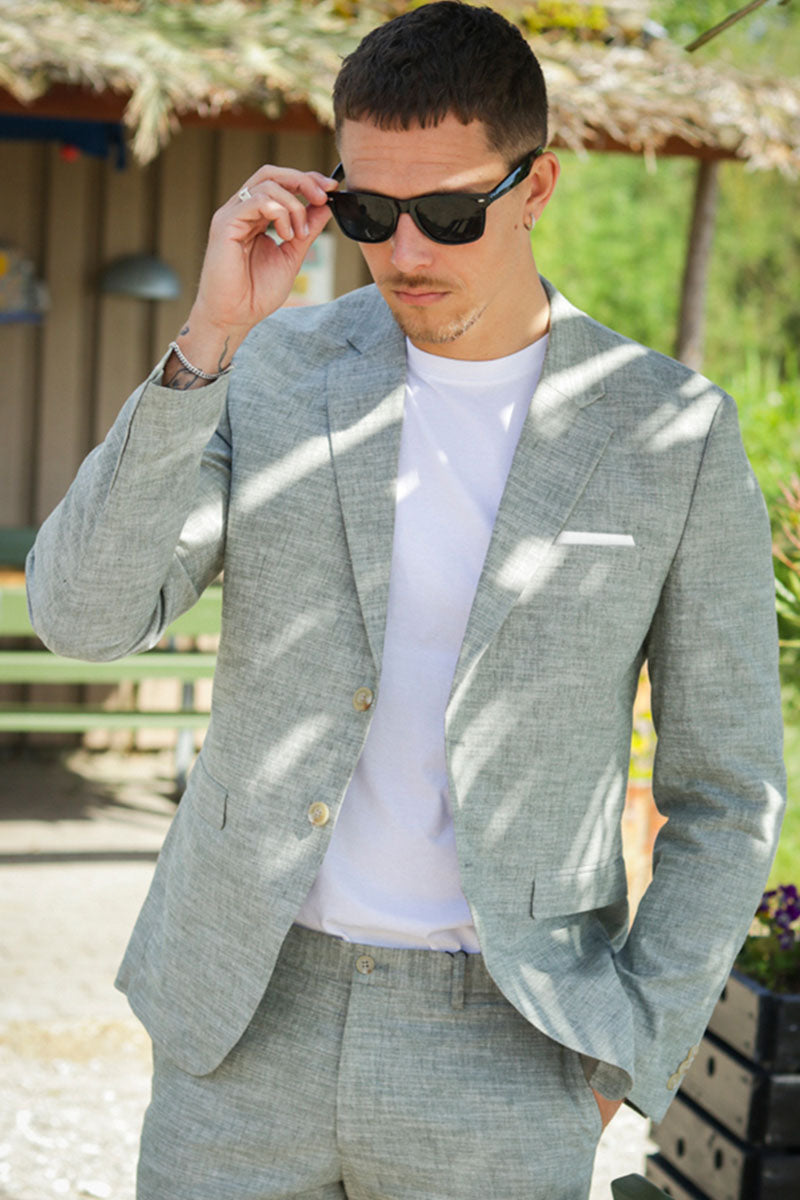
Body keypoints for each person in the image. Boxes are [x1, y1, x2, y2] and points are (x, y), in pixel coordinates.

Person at [26, 3, 785, 1198]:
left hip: (505, 1044)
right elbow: (82, 614)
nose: (405, 253)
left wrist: (624, 1051)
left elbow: (726, 790)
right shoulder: (272, 370)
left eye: (449, 213)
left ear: (535, 189)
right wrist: (209, 339)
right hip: (244, 1025)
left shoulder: (667, 432)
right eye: (371, 213)